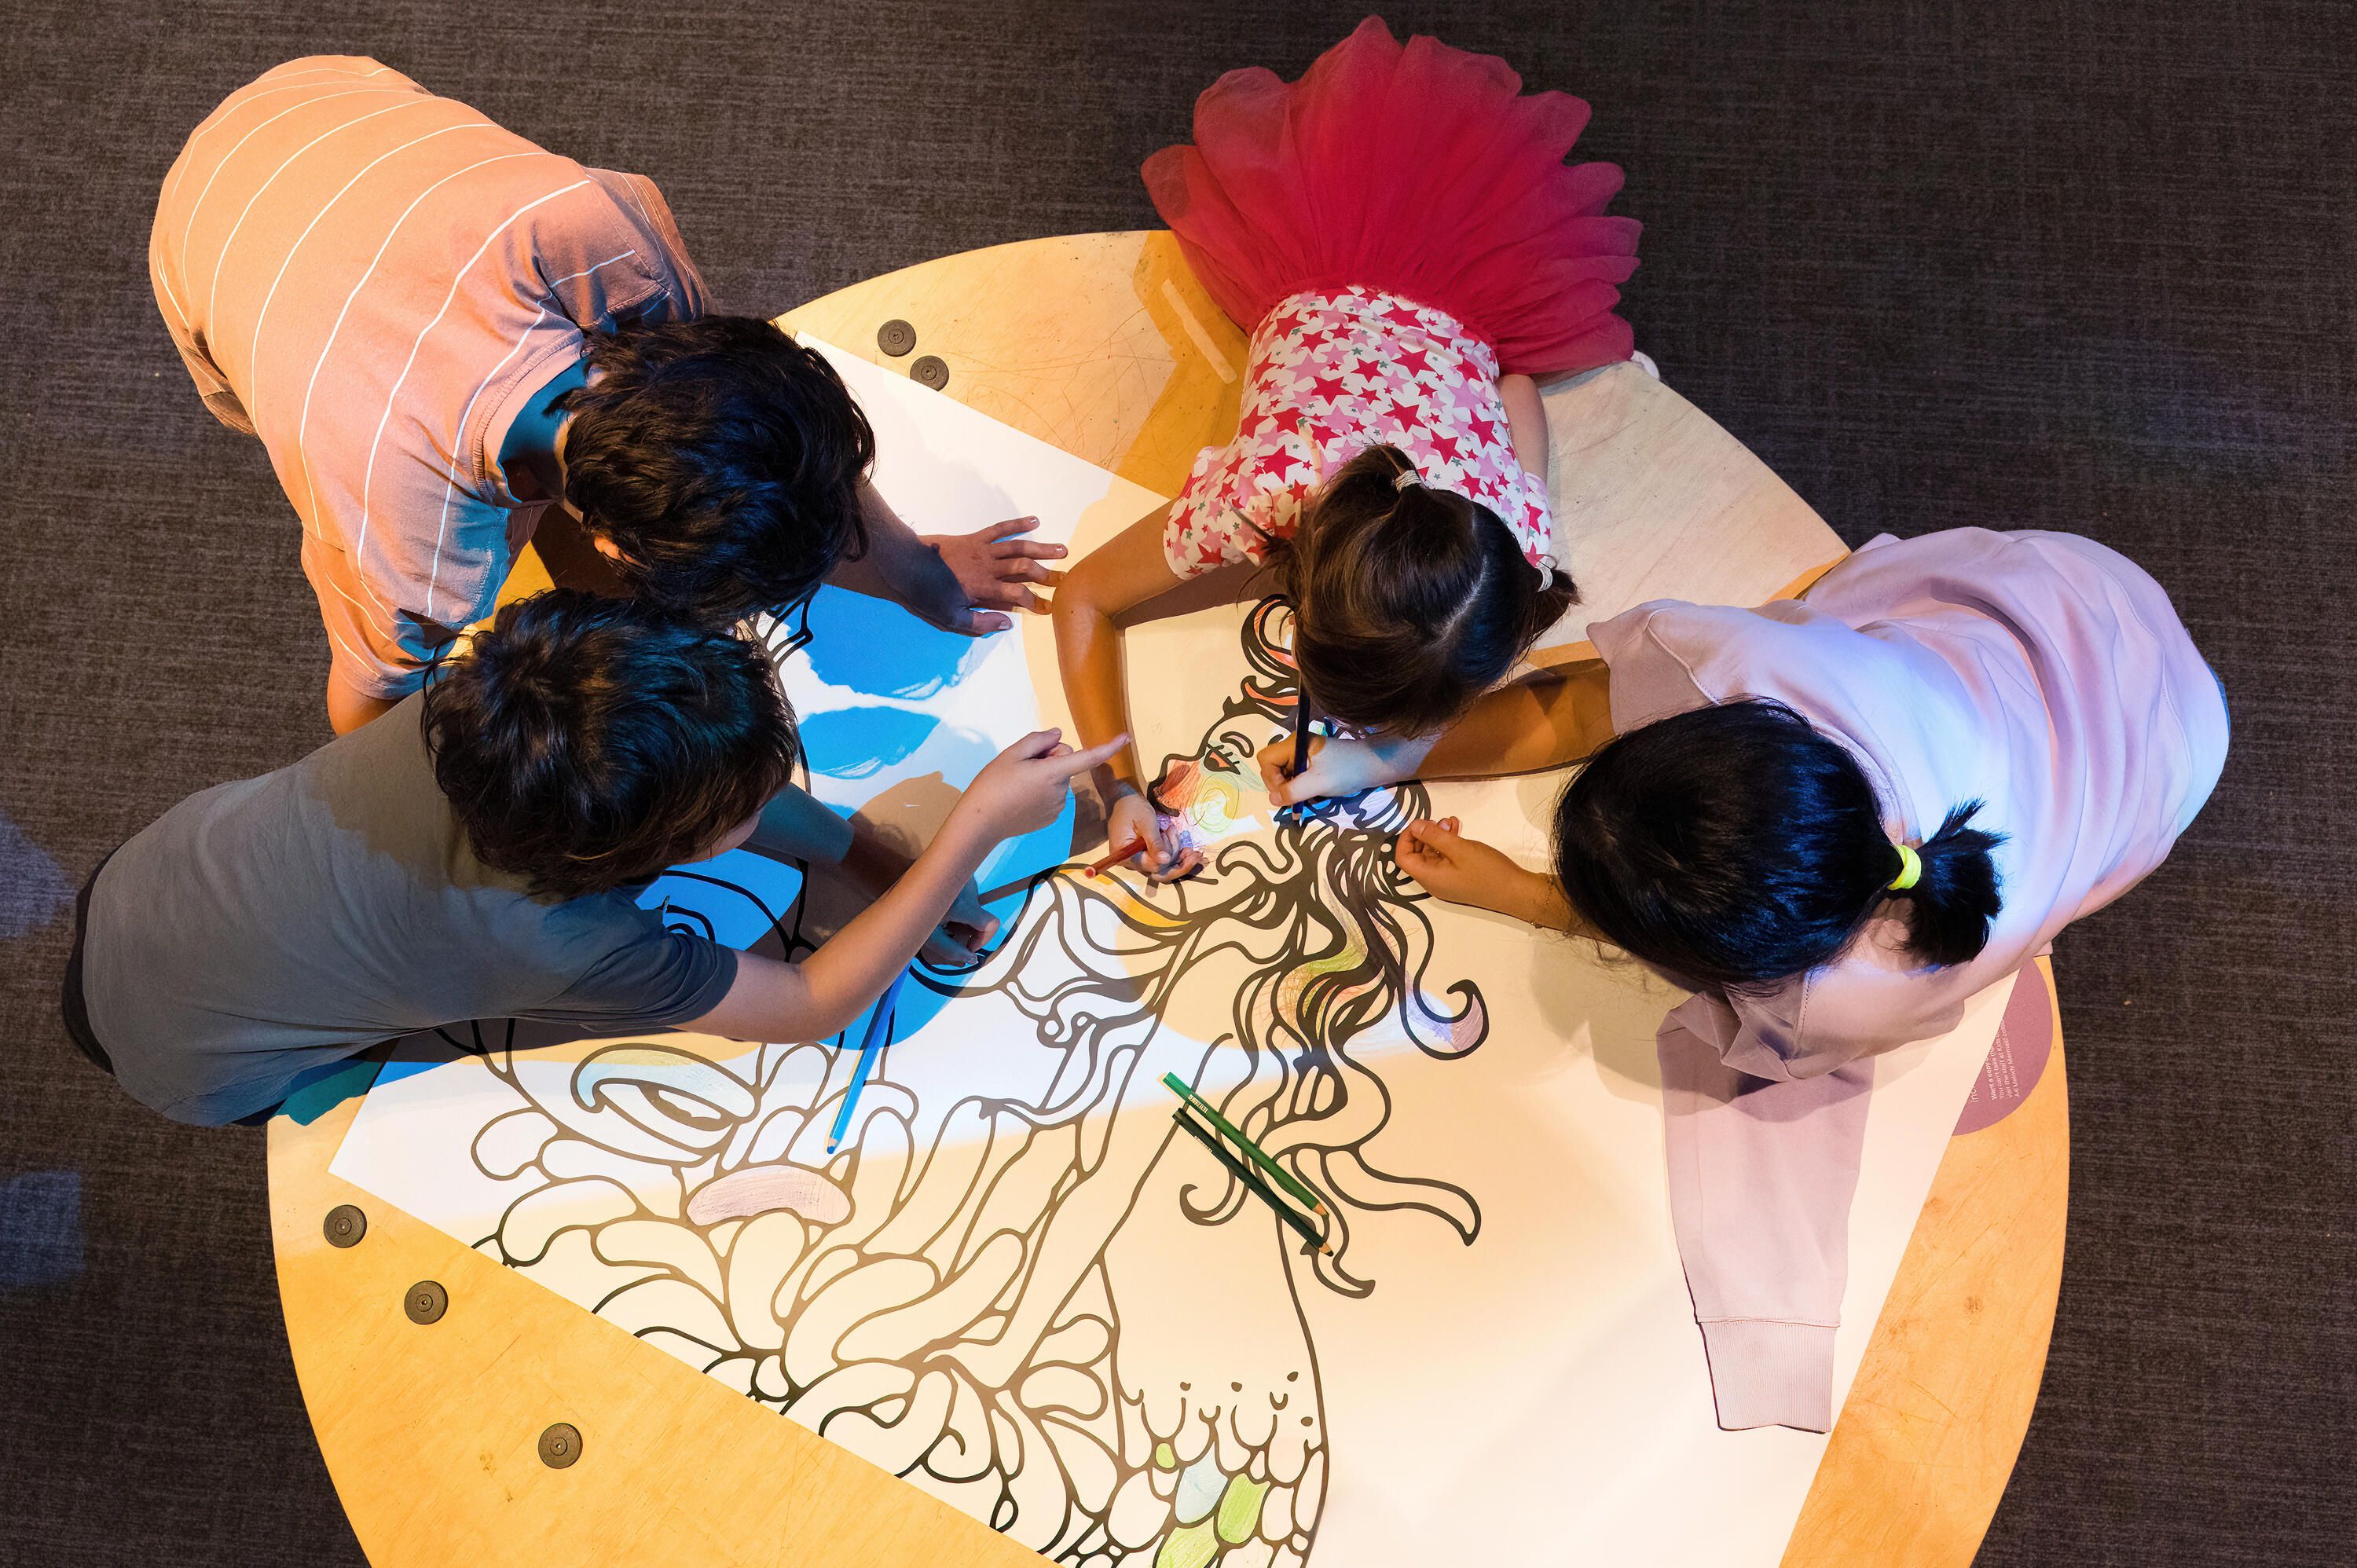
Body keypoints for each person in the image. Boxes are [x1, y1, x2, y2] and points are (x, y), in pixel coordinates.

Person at [1317, 527, 2228, 1431]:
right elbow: (1592, 703)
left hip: (2140, 728)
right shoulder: (1740, 665)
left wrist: (1527, 896)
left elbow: (1598, 719)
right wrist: (1387, 757)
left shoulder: (1836, 1001)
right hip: (2065, 608)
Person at [151, 56, 1061, 735]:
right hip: (201, 239)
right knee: (283, 426)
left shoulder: (599, 232)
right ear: (609, 544)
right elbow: (365, 713)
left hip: (335, 95)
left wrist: (913, 572)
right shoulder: (414, 548)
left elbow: (760, 433)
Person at [60, 591, 1123, 1127]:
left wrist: (855, 849)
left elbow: (704, 785)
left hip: (152, 877)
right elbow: (805, 1005)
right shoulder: (567, 940)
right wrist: (968, 836)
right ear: (631, 858)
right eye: (743, 816)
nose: (772, 809)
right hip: (203, 1068)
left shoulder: (486, 702)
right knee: (339, 1086)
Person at [1052, 17, 1640, 877]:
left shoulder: (1516, 536)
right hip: (1339, 257)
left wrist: (1388, 755)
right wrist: (1119, 789)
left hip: (1403, 286)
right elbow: (1084, 598)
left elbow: (1515, 391)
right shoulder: (1264, 494)